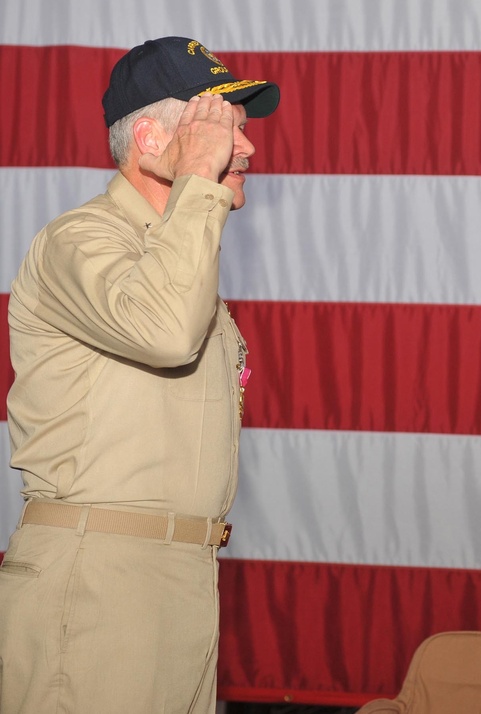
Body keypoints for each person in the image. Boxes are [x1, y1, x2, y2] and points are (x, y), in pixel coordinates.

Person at [0, 36, 279, 713]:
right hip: (100, 584)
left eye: (239, 132)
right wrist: (199, 189)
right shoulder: (81, 241)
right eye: (218, 129)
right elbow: (165, 333)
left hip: (180, 581)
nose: (244, 149)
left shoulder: (174, 256)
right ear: (151, 140)